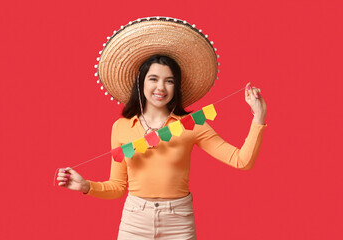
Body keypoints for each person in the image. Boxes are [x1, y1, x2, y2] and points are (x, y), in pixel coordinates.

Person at [56, 17, 267, 240]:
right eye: (153, 79)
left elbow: (242, 161)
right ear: (141, 83)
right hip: (133, 222)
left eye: (169, 81)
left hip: (179, 222)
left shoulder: (193, 124)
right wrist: (86, 185)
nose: (160, 87)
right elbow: (118, 187)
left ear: (176, 86)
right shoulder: (121, 127)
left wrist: (259, 116)